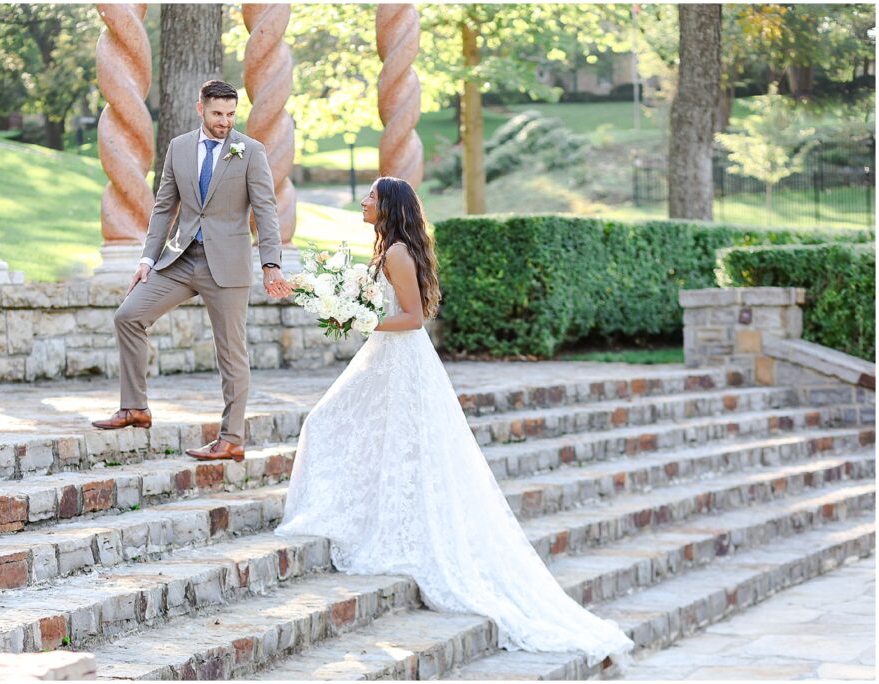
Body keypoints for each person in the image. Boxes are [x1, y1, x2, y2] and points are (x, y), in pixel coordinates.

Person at [275, 176, 635, 668]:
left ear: (388, 206)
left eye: (371, 197)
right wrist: (315, 294)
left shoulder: (398, 253)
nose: (362, 201)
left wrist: (362, 320)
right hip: (385, 357)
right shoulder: (388, 249)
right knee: (338, 424)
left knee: (334, 423)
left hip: (401, 360)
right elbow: (367, 299)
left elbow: (413, 317)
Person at [92, 80, 293, 463]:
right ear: (200, 108)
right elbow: (164, 207)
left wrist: (271, 264)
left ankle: (231, 438)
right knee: (129, 316)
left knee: (232, 355)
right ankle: (135, 407)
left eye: (232, 114)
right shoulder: (179, 147)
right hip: (181, 258)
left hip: (228, 265)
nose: (225, 122)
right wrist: (147, 259)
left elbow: (266, 210)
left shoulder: (250, 151)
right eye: (218, 114)